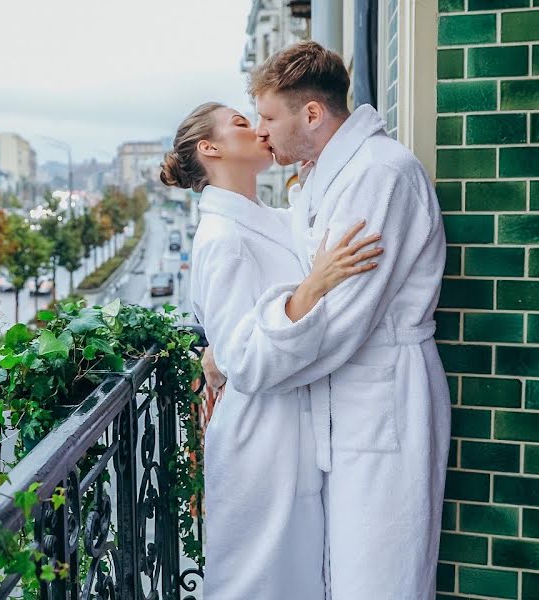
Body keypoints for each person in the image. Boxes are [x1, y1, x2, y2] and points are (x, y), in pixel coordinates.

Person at [202, 41, 451, 599]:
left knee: (379, 580)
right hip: (341, 410)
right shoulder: (325, 177)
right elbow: (302, 281)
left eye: (268, 116)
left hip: (384, 401)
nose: (262, 132)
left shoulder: (380, 176)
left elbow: (339, 319)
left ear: (311, 113)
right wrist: (229, 347)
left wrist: (245, 356)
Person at [161, 101, 382, 599]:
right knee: (258, 583)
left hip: (294, 432)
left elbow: (230, 343)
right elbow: (246, 362)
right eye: (242, 123)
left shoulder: (268, 220)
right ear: (210, 148)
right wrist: (314, 287)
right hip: (259, 443)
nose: (259, 129)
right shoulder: (221, 239)